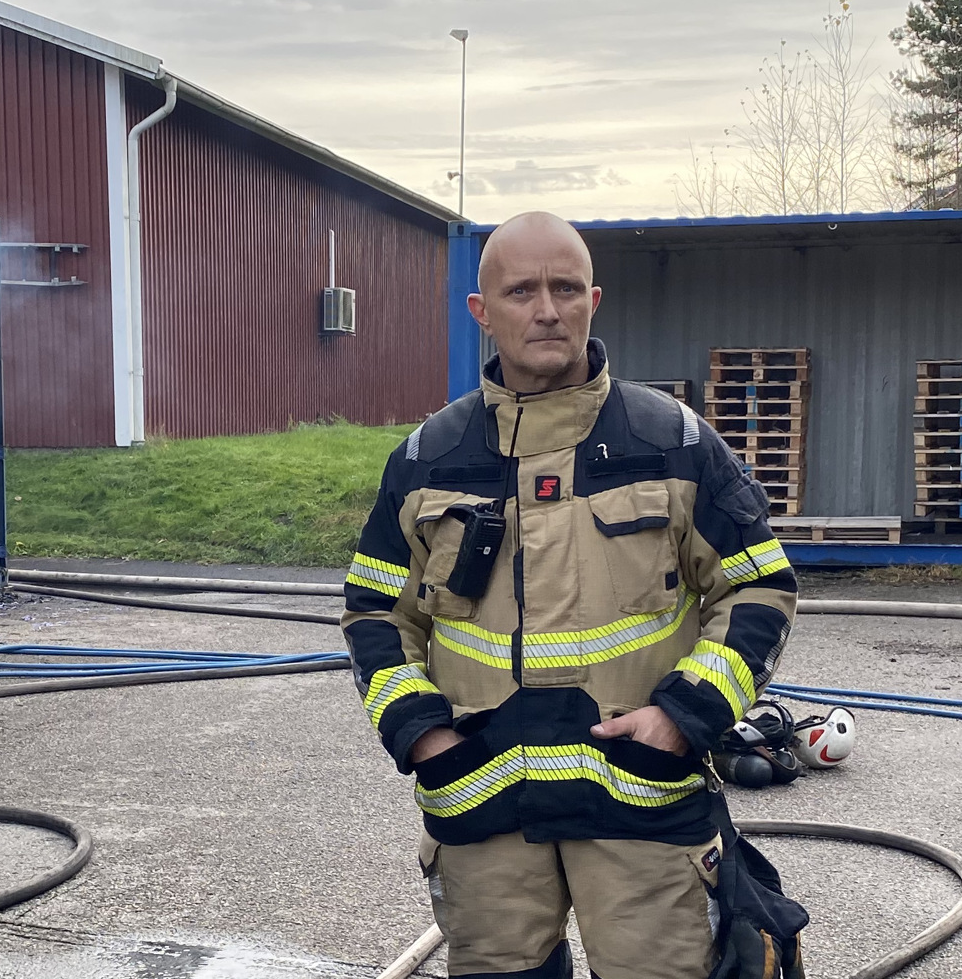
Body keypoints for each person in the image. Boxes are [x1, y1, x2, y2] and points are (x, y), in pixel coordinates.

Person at [340, 211, 798, 979]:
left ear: (594, 299)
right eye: (521, 291)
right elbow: (376, 611)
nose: (546, 309)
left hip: (641, 802)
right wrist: (425, 737)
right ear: (482, 313)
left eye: (564, 288)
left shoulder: (674, 444)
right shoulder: (427, 460)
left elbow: (759, 586)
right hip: (482, 803)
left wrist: (687, 718)